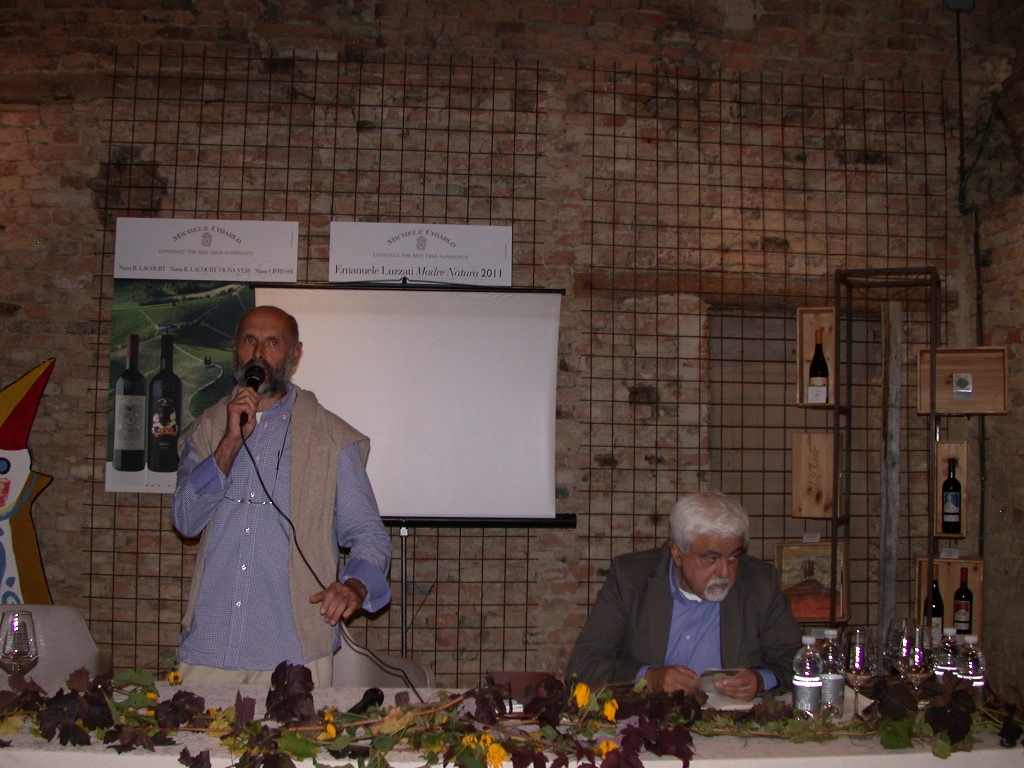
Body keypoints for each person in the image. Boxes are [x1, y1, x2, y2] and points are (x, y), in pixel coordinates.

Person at [170, 305, 391, 687]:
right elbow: (185, 521)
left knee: (292, 748)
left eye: (272, 343)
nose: (259, 354)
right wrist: (230, 441)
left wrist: (353, 585)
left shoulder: (332, 438)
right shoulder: (207, 428)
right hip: (209, 647)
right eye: (249, 341)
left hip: (293, 651)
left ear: (295, 354)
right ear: (235, 349)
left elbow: (369, 537)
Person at [566, 492, 801, 701]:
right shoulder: (631, 580)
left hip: (736, 726)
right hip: (649, 720)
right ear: (677, 553)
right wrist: (649, 678)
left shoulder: (760, 582)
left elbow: (797, 662)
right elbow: (583, 666)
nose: (725, 572)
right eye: (711, 558)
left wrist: (761, 680)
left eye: (734, 557)